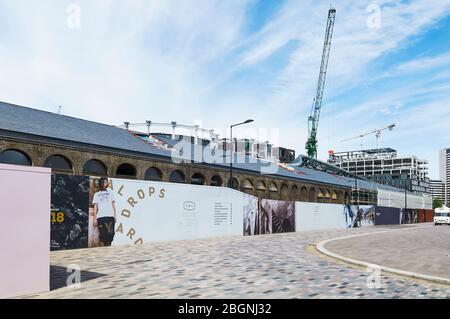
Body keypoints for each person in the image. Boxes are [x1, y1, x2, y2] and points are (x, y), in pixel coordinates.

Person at [92, 177, 117, 246]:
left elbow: (113, 204)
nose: (104, 184)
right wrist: (94, 219)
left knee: (111, 233)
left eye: (106, 182)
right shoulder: (96, 194)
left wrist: (115, 215)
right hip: (101, 216)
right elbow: (95, 207)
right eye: (103, 182)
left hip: (110, 215)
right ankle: (103, 250)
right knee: (102, 234)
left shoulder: (111, 192)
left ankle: (108, 248)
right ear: (100, 183)